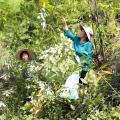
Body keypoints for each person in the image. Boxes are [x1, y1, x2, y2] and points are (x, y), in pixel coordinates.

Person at [62, 17, 94, 84]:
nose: (80, 31)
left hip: (80, 69)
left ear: (85, 34)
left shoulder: (88, 45)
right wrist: (64, 23)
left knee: (71, 85)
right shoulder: (76, 39)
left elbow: (88, 60)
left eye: (82, 31)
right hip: (71, 66)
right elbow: (68, 33)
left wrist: (81, 68)